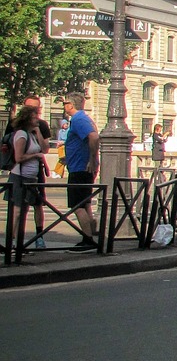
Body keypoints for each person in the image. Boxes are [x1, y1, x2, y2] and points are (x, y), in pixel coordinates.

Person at [5, 103, 49, 250]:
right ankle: (11, 243)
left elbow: (45, 149)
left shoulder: (32, 134)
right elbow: (18, 157)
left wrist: (38, 132)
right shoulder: (22, 135)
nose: (38, 118)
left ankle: (18, 245)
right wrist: (36, 155)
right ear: (27, 118)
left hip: (31, 178)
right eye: (34, 116)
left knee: (24, 211)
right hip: (20, 177)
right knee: (17, 211)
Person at [61, 94, 100, 249]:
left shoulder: (78, 119)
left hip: (80, 168)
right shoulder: (84, 118)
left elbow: (94, 137)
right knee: (85, 204)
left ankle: (88, 239)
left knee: (78, 206)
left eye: (65, 103)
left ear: (71, 105)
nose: (64, 106)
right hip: (81, 166)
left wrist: (91, 158)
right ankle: (90, 237)